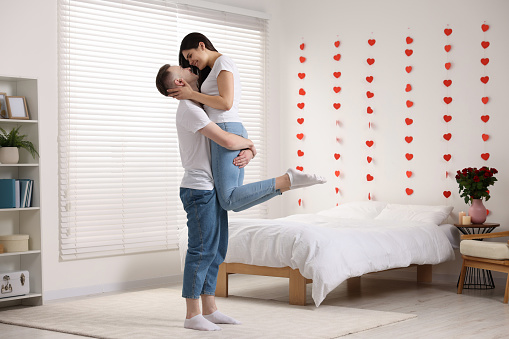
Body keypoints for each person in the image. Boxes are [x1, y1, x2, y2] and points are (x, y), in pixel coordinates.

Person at [156, 64, 325, 331]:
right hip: (198, 189)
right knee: (200, 250)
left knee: (218, 248)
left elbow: (228, 140)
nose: (190, 66)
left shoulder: (197, 105)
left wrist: (250, 150)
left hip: (210, 187)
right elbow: (225, 139)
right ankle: (192, 315)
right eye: (183, 67)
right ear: (178, 81)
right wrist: (248, 145)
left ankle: (210, 309)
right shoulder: (188, 110)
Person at [168, 32, 294, 212]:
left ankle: (286, 180)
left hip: (225, 127)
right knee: (232, 200)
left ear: (202, 45)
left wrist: (191, 94)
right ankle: (284, 184)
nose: (190, 62)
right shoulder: (213, 69)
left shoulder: (222, 62)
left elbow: (226, 103)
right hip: (228, 128)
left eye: (190, 56)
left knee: (229, 200)